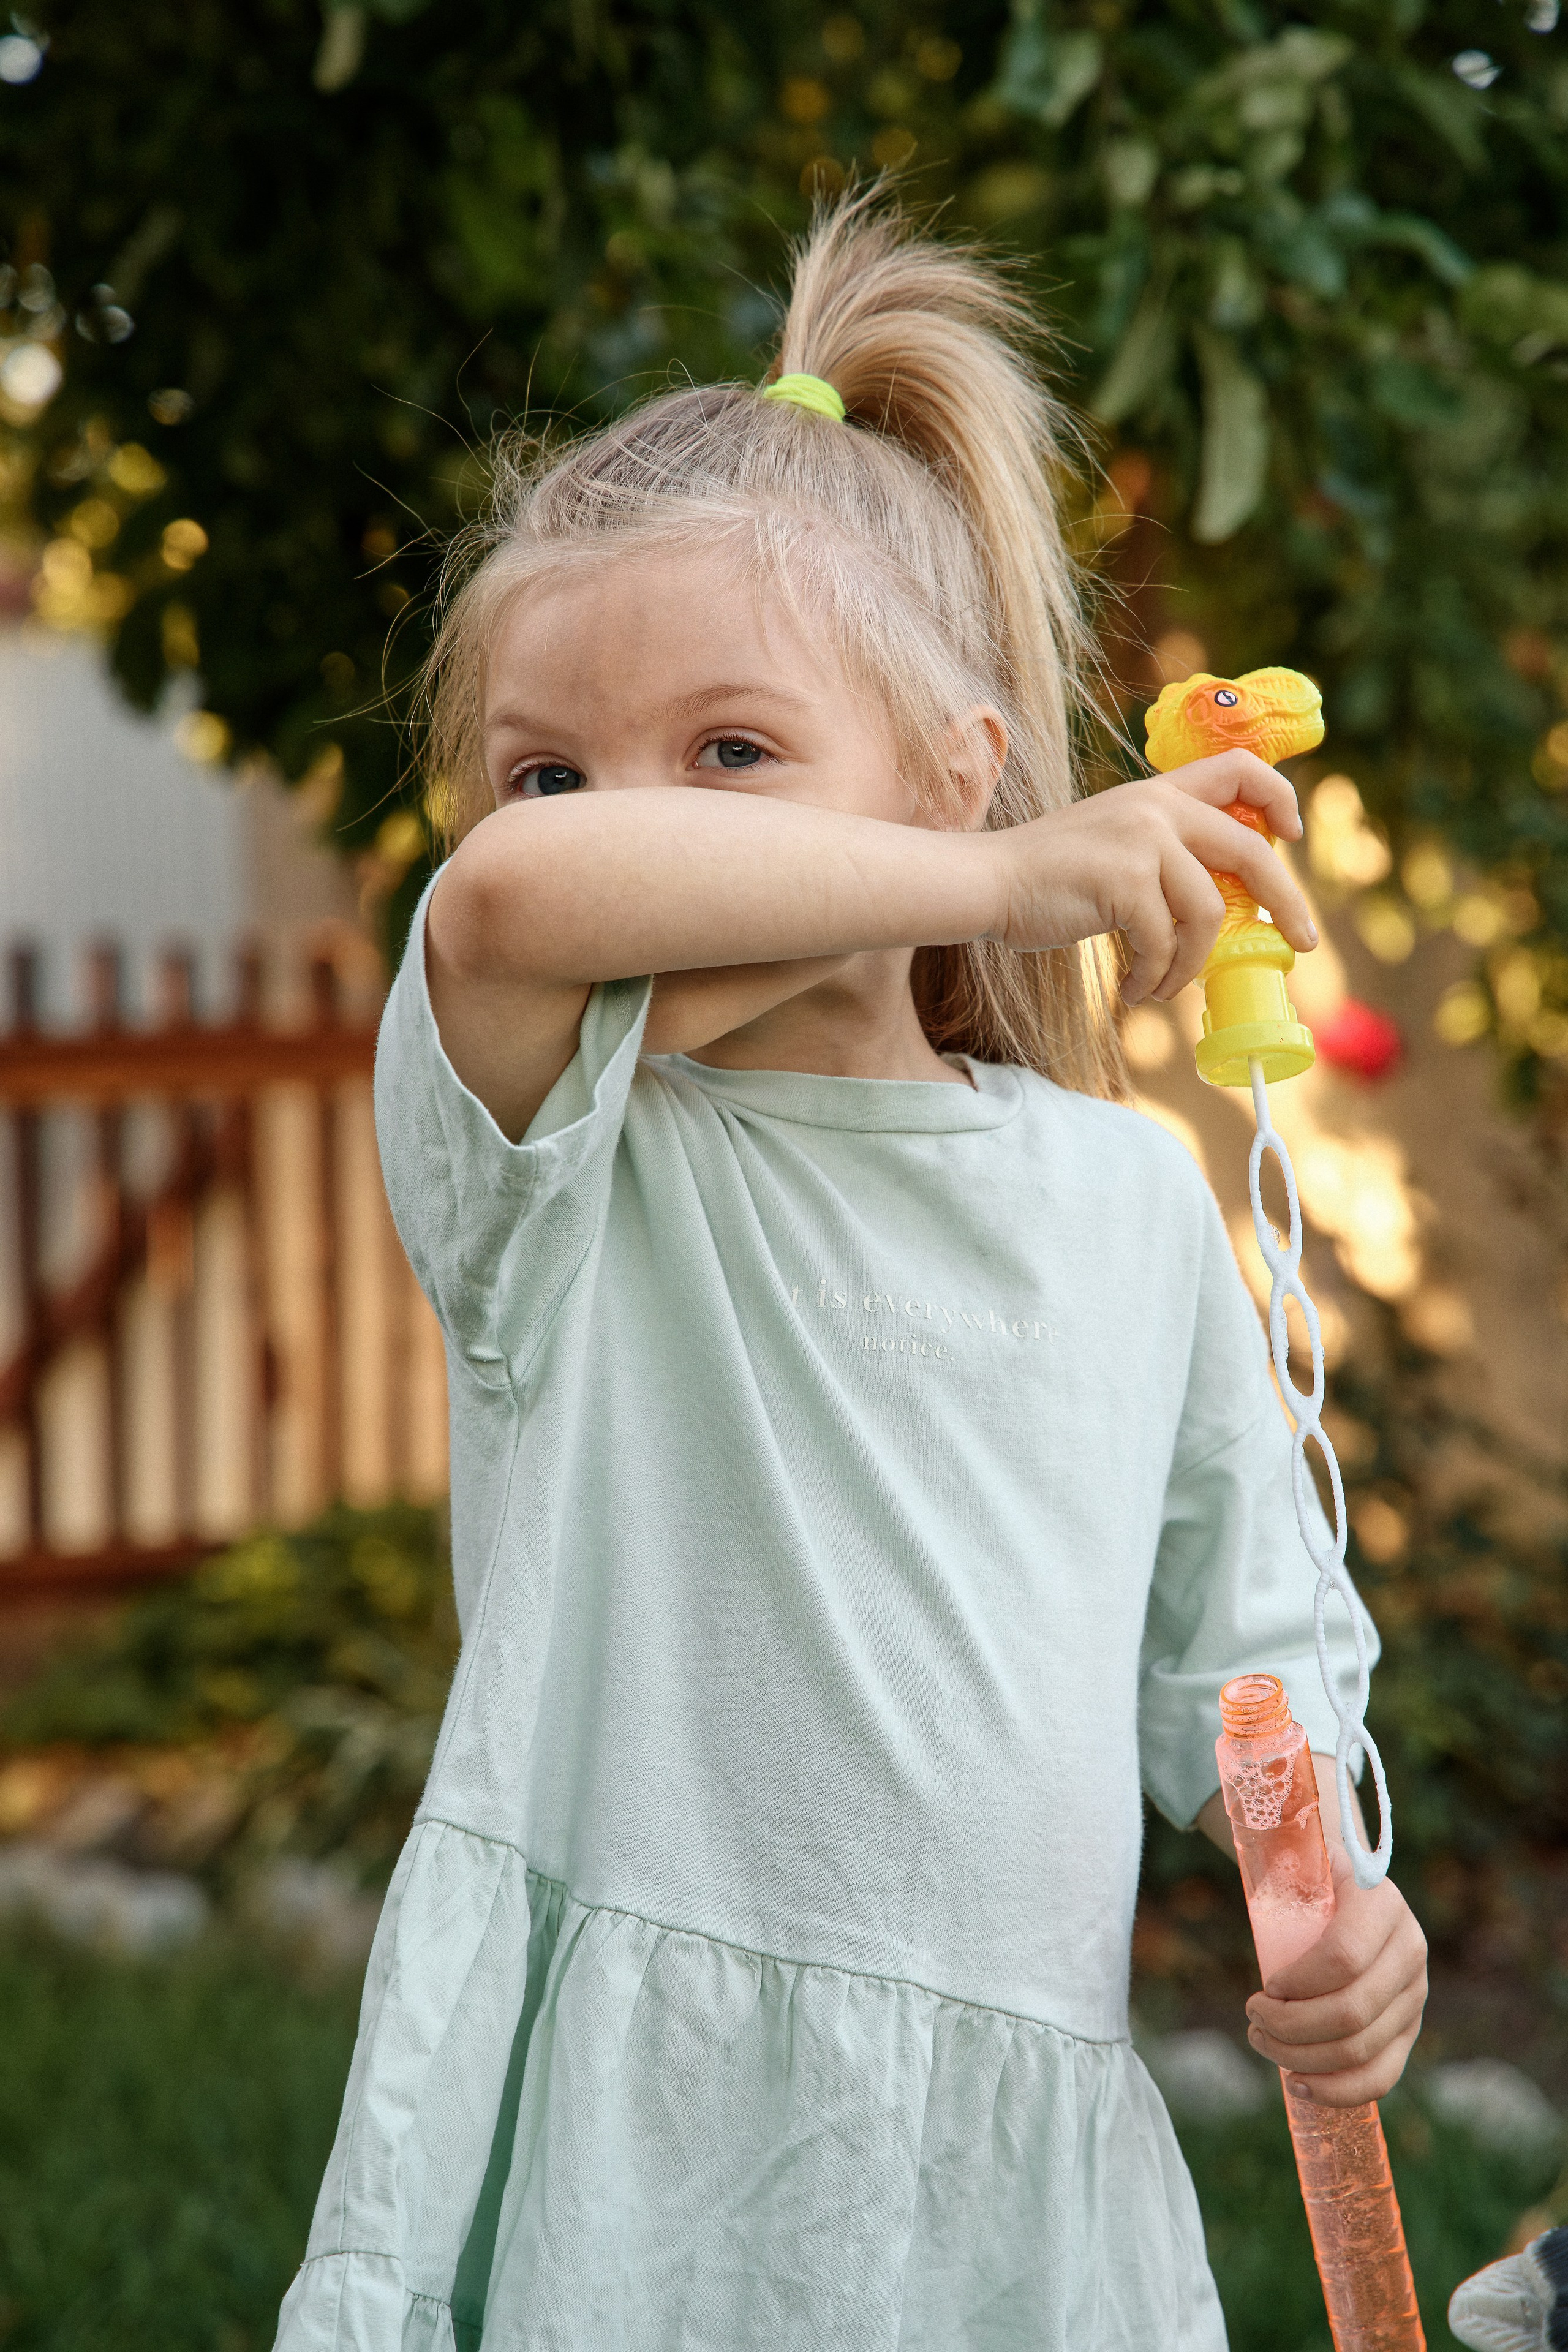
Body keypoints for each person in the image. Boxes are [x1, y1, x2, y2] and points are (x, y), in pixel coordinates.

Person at [275, 191, 1427, 2352]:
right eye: (554, 765)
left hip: (1011, 2174)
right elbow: (508, 907)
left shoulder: (1125, 1204)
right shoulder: (569, 1168)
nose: (645, 819)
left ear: (954, 771)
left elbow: (1248, 1665)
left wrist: (1342, 1908)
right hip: (654, 2164)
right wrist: (998, 882)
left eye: (732, 747)